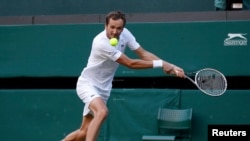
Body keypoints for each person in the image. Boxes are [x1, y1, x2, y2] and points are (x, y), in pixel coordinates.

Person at [62, 10, 185, 141]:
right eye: (112, 27)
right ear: (105, 26)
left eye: (119, 28)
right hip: (87, 84)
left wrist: (170, 65)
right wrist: (161, 64)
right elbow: (130, 63)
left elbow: (143, 54)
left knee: (84, 132)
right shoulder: (100, 43)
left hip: (103, 89)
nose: (115, 31)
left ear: (123, 28)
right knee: (102, 112)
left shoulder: (125, 34)